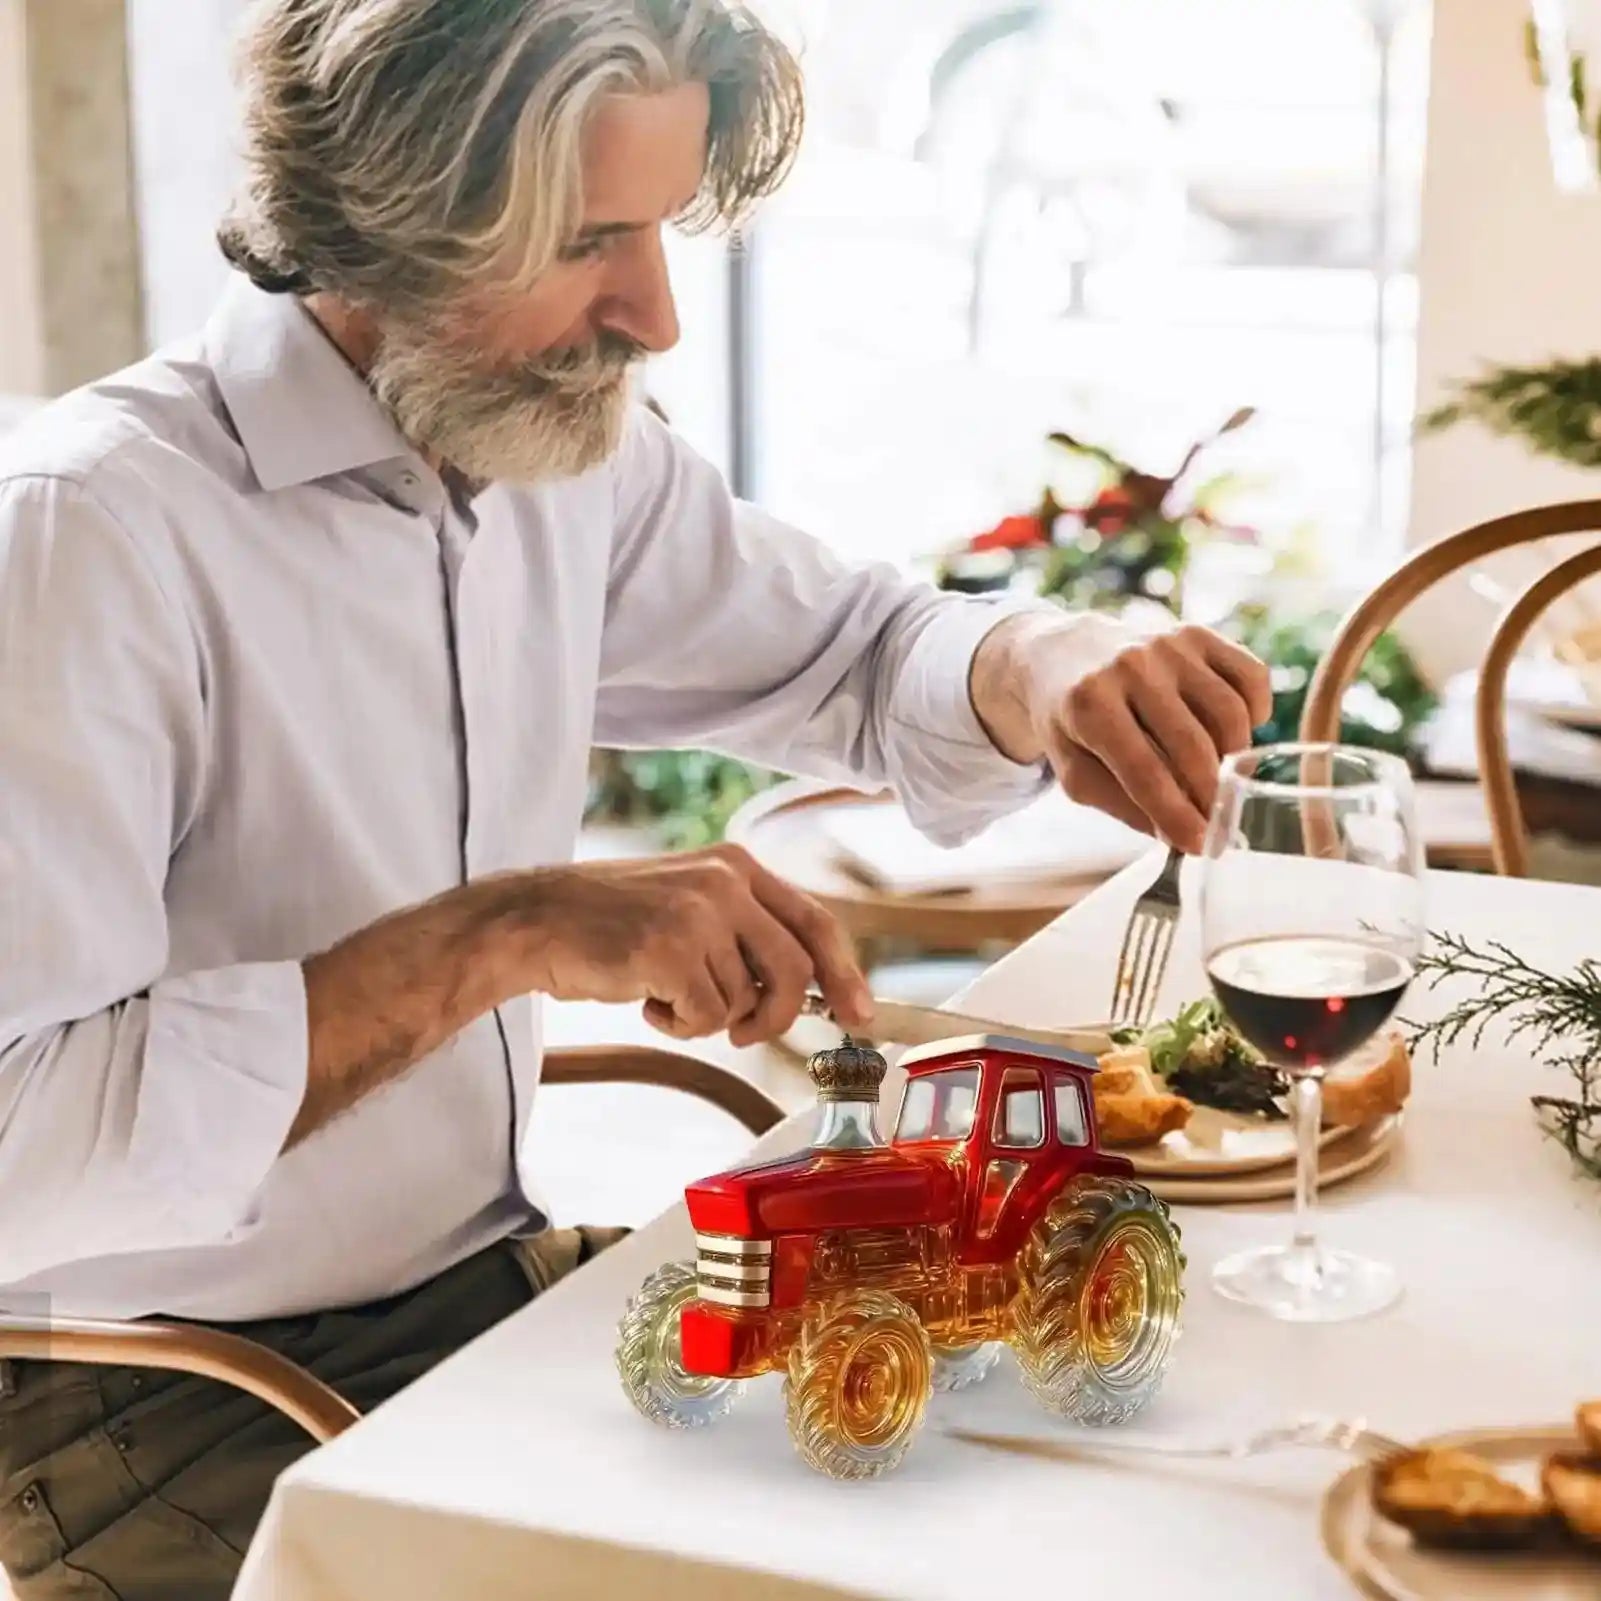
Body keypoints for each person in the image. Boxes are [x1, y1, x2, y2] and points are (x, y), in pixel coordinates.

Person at [0, 1, 1270, 1594]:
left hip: (490, 1298)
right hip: (170, 1401)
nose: (658, 315)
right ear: (383, 222)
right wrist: (504, 932)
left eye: (663, 228)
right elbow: (15, 1140)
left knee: (1082, 1460)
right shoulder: (91, 535)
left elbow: (860, 647)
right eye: (593, 238)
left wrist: (1043, 654)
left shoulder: (548, 447)